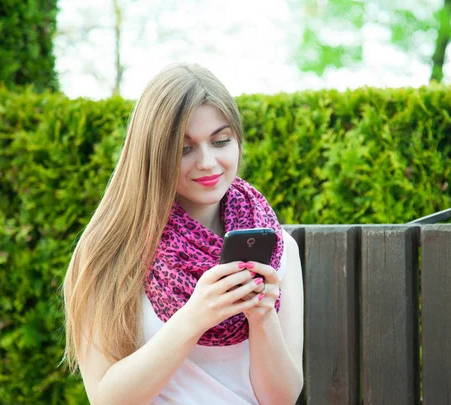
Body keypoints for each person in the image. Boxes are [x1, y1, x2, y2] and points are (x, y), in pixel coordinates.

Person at [62, 63, 304, 405]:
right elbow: (107, 398)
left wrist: (261, 315)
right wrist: (195, 316)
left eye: (221, 141)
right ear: (152, 153)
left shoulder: (279, 249)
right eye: (185, 148)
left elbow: (281, 399)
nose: (208, 162)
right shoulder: (109, 249)